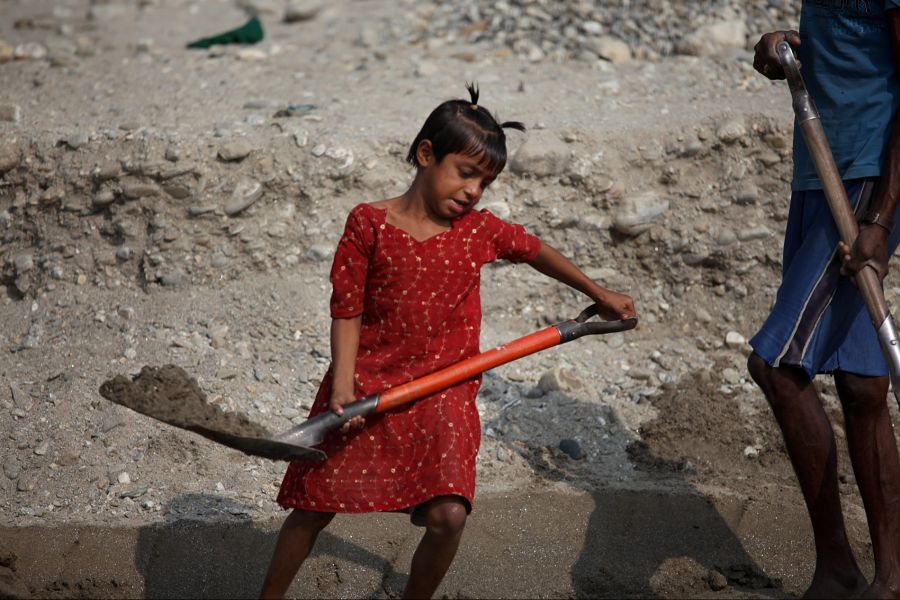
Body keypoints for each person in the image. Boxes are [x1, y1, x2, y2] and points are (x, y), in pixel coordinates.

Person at [258, 84, 636, 599]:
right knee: (313, 508)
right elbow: (347, 310)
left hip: (443, 390)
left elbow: (535, 250)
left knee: (449, 515)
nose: (474, 191)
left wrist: (597, 293)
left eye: (486, 182)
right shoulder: (369, 223)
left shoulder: (479, 231)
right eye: (466, 173)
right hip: (367, 385)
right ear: (426, 154)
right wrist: (344, 386)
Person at [748, 5, 900, 599]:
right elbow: (861, 50)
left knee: (776, 365)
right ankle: (890, 579)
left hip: (866, 179)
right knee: (863, 386)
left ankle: (838, 570)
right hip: (819, 169)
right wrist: (794, 47)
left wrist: (880, 221)